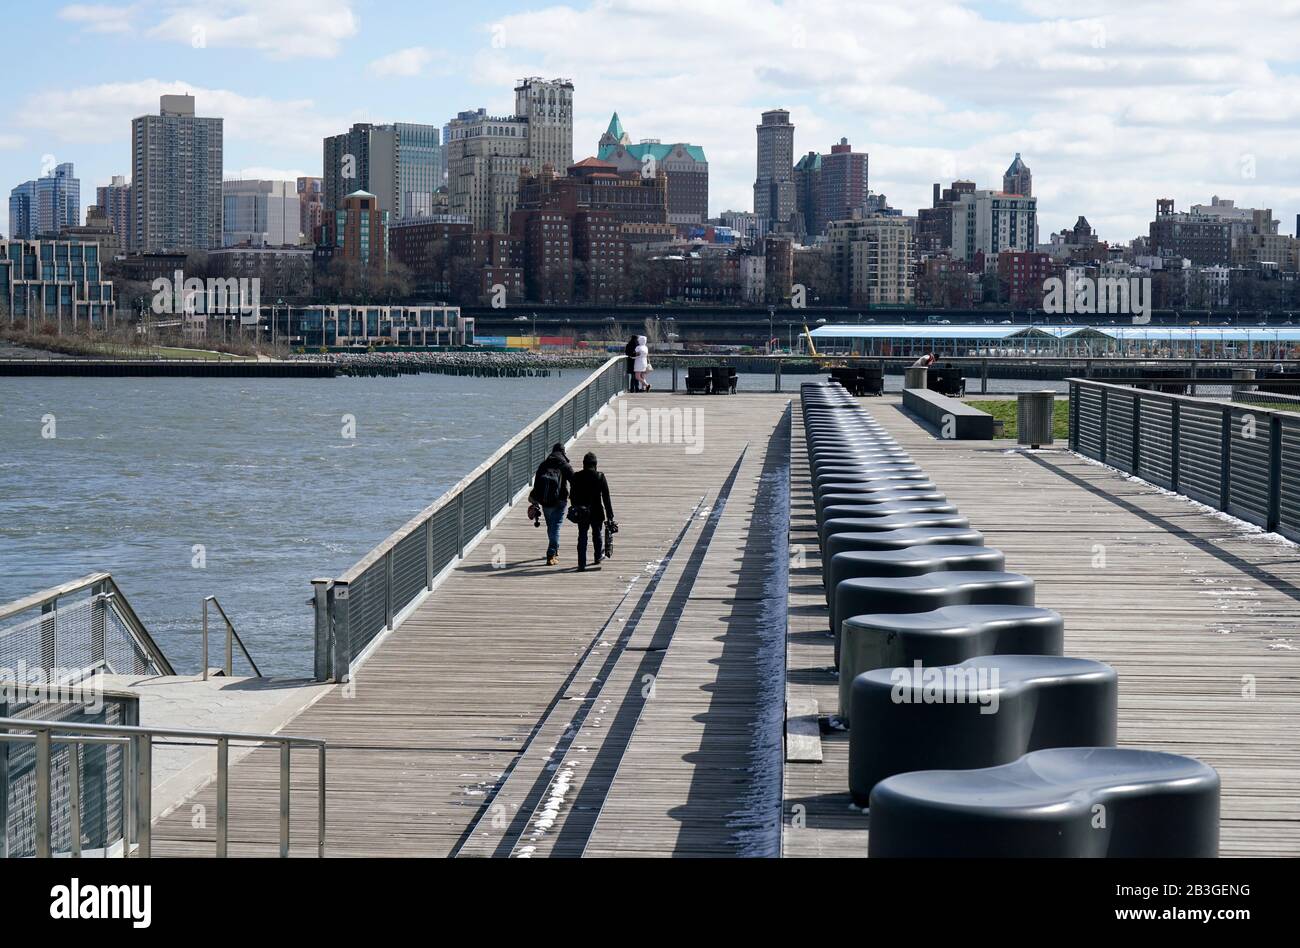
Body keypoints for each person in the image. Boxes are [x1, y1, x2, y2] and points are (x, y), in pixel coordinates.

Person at [568, 452, 615, 572]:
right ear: (595, 464)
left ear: (583, 464)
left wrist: (576, 506)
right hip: (597, 511)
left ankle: (581, 563)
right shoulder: (600, 476)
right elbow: (606, 497)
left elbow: (572, 495)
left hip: (582, 511)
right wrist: (610, 515)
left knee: (582, 536)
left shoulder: (577, 476)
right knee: (597, 534)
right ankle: (597, 556)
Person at [529, 443, 573, 566]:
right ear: (563, 452)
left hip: (545, 502)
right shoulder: (564, 464)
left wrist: (535, 500)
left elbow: (537, 484)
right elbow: (574, 480)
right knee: (556, 527)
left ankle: (555, 548)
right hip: (560, 501)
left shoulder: (544, 464)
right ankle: (551, 553)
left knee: (551, 526)